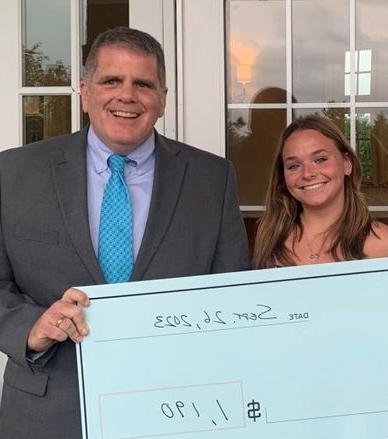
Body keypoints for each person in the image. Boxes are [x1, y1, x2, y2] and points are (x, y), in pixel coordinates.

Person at [0, 27, 250, 437]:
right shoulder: (13, 173)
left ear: (163, 98)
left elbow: (230, 293)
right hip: (47, 413)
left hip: (176, 409)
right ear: (85, 90)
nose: (127, 95)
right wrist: (30, 328)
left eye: (143, 84)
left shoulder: (212, 178)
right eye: (111, 80)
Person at [253, 115, 388, 268]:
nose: (308, 174)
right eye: (294, 166)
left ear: (347, 163)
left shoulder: (385, 245)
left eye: (320, 160)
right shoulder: (269, 237)